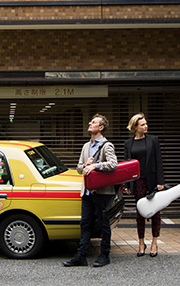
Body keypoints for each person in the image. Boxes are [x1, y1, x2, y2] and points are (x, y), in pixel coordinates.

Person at [63, 114, 118, 268]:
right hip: (87, 192)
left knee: (103, 224)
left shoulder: (107, 145)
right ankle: (81, 256)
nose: (89, 123)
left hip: (102, 193)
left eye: (93, 122)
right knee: (85, 224)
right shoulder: (86, 146)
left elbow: (114, 164)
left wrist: (96, 165)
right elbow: (79, 168)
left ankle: (104, 255)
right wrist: (85, 165)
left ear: (100, 127)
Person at [123, 113, 165, 258]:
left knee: (156, 212)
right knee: (140, 212)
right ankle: (141, 242)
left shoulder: (153, 140)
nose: (146, 126)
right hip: (137, 181)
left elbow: (159, 161)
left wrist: (160, 182)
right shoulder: (129, 144)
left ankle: (154, 242)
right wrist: (127, 184)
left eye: (146, 124)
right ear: (135, 127)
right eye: (142, 125)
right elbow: (127, 165)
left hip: (152, 180)